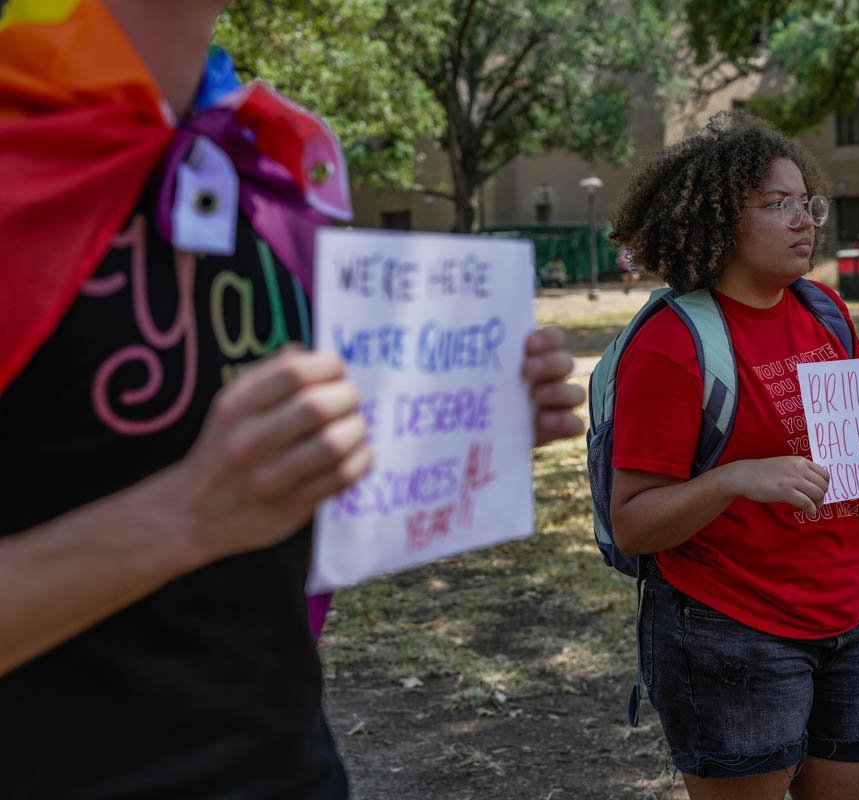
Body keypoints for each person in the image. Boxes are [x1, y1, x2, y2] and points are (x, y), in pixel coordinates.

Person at [0, 1, 585, 797]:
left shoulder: (261, 164)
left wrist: (460, 432)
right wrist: (184, 515)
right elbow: (204, 502)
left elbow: (280, 521)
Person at [607, 112, 859, 800]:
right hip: (729, 630)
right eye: (777, 205)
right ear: (715, 220)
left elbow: (839, 451)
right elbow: (633, 523)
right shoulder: (671, 345)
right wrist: (736, 480)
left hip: (849, 612)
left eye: (808, 203)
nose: (805, 221)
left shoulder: (823, 307)